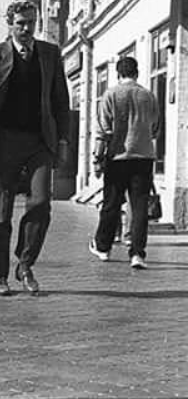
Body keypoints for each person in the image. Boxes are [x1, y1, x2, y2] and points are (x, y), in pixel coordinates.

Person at [0, 0, 70, 295]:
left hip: (40, 140)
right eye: (21, 23)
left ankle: (25, 264)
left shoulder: (50, 54)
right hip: (4, 140)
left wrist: (63, 140)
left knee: (41, 203)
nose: (27, 29)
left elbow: (60, 100)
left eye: (31, 22)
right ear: (9, 23)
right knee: (0, 210)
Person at [88, 56, 160, 270]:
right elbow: (155, 128)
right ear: (137, 73)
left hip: (118, 158)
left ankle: (103, 247)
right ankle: (137, 253)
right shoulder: (149, 96)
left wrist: (98, 159)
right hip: (143, 157)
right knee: (139, 207)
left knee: (111, 204)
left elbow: (102, 131)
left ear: (118, 74)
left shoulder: (111, 94)